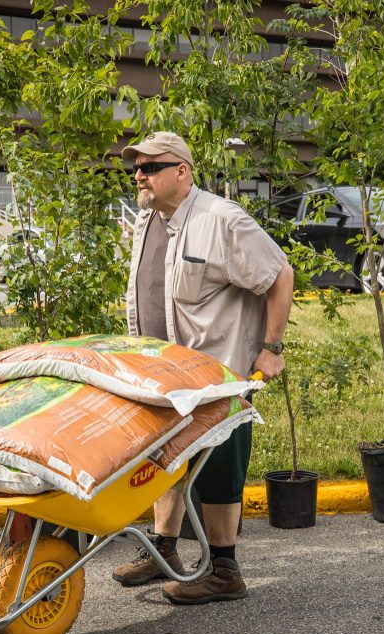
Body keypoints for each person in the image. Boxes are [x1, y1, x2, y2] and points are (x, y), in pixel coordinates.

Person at [111, 131, 294, 604]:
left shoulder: (221, 219)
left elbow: (279, 275)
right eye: (137, 167)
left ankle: (224, 569)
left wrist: (271, 347)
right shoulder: (149, 220)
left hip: (218, 376)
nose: (139, 175)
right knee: (167, 459)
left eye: (150, 167)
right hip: (163, 374)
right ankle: (164, 549)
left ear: (182, 171)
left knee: (218, 469)